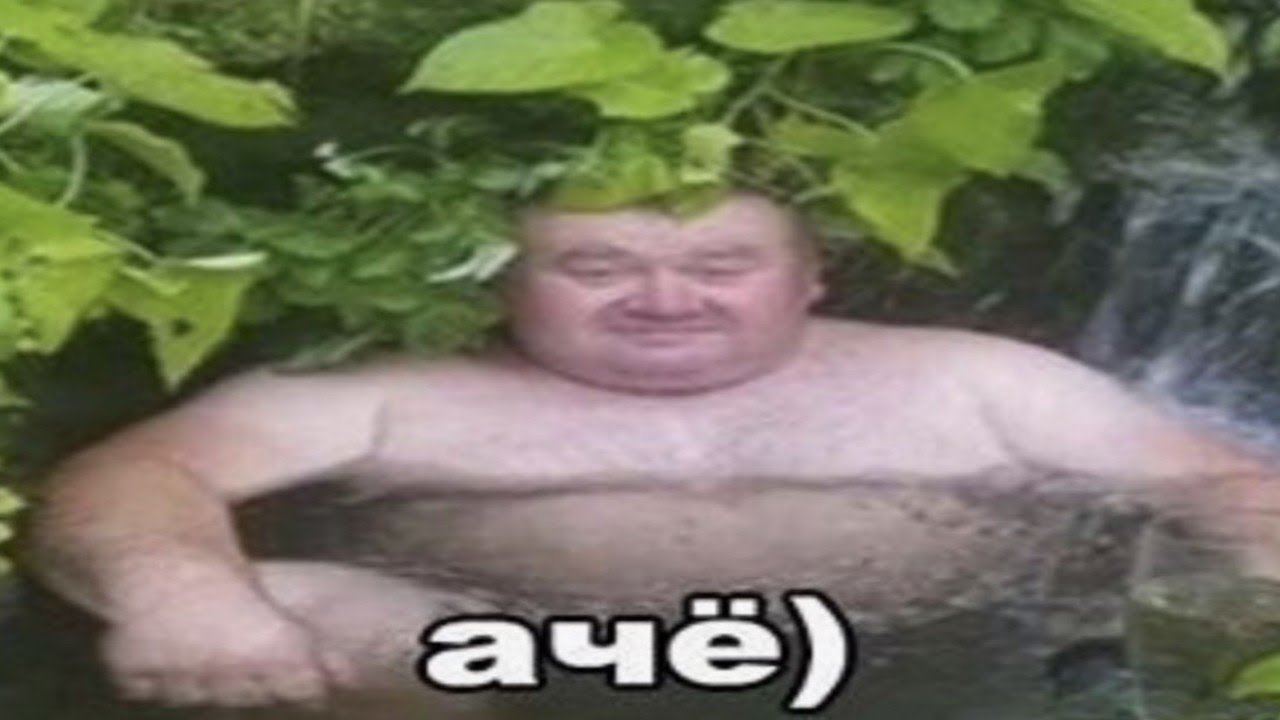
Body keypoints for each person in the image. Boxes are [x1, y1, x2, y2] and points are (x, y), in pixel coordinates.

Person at [23, 192, 1277, 716]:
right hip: (511, 689)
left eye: (720, 264)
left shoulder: (977, 379)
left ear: (811, 274)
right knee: (290, 598)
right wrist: (181, 595)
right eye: (596, 266)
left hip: (929, 685)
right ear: (507, 281)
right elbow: (131, 475)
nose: (665, 300)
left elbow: (1221, 483)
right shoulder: (387, 390)